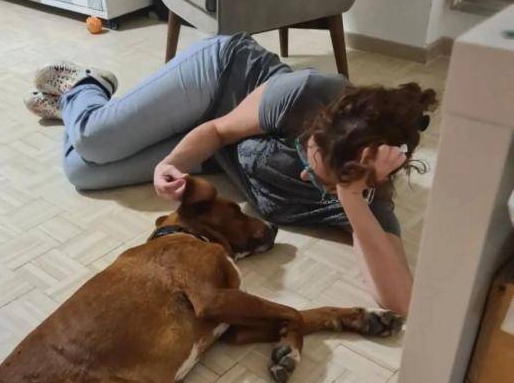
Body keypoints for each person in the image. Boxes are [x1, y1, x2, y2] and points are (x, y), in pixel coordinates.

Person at [24, 34, 437, 316]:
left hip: (221, 155)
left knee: (81, 170)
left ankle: (76, 109)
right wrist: (172, 164)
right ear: (320, 125)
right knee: (95, 141)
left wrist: (351, 199)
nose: (303, 173)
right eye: (308, 152)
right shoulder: (306, 93)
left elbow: (400, 299)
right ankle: (85, 85)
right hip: (219, 84)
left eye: (320, 180)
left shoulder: (367, 194)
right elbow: (218, 130)